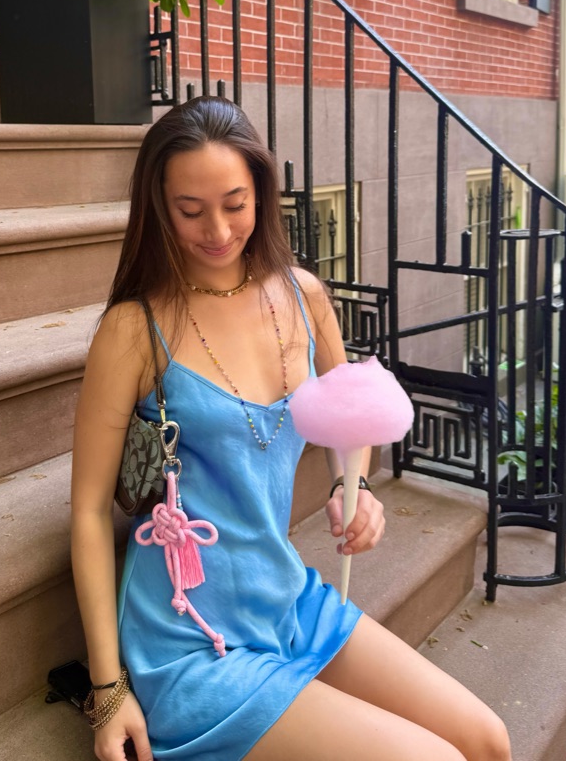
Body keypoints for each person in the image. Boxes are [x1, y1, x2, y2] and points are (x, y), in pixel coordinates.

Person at [71, 97, 511, 761]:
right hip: (191, 634)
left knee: (487, 741)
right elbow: (84, 513)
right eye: (190, 210)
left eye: (235, 204)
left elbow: (348, 413)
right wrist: (108, 692)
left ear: (261, 193)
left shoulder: (302, 296)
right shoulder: (133, 329)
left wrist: (353, 487)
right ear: (159, 208)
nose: (217, 230)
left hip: (284, 596)